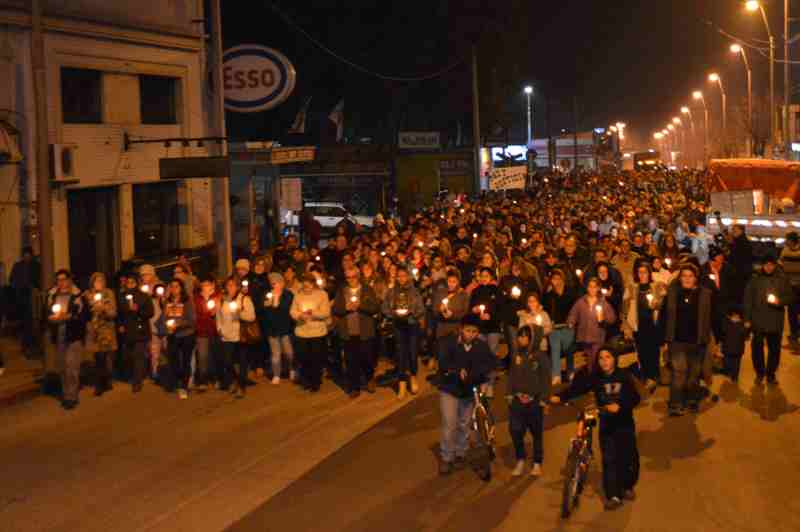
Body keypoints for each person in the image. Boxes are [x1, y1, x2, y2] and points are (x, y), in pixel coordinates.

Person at [552, 348, 641, 511]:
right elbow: (578, 388)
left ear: (615, 359)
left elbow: (635, 398)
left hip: (625, 424)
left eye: (608, 357)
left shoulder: (624, 376)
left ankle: (628, 485)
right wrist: (560, 396)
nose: (604, 361)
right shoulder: (596, 378)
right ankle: (613, 495)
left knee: (628, 457)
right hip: (607, 425)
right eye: (601, 358)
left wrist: (620, 406)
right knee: (609, 459)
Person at [436, 316, 496, 475]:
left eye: (474, 331)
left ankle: (460, 453)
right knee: (450, 424)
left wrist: (483, 375)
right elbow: (443, 363)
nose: (470, 334)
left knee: (464, 424)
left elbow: (490, 363)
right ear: (461, 329)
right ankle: (447, 457)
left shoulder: (481, 346)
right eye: (468, 330)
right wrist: (456, 371)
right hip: (450, 388)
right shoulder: (449, 343)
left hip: (469, 390)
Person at [662, 264, 712, 416]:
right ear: (680, 278)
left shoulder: (705, 294)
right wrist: (662, 339)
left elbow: (713, 316)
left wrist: (718, 338)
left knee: (693, 374)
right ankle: (675, 403)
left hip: (697, 341)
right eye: (684, 276)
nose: (687, 279)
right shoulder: (672, 293)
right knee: (679, 371)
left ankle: (691, 400)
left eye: (690, 276)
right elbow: (664, 316)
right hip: (676, 341)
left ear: (695, 278)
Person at [508, 325, 551, 477]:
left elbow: (546, 379)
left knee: (536, 433)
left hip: (534, 402)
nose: (521, 339)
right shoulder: (516, 355)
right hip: (518, 400)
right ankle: (520, 458)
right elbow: (512, 375)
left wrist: (544, 400)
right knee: (515, 430)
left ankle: (537, 462)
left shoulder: (541, 357)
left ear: (533, 338)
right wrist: (510, 393)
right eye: (519, 336)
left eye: (525, 336)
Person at [743, 253, 793, 385]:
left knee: (774, 349)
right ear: (762, 265)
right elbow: (748, 300)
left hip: (775, 320)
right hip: (758, 320)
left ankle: (771, 374)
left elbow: (790, 297)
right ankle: (759, 373)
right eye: (767, 264)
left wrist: (779, 301)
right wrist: (747, 319)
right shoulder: (755, 279)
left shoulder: (782, 279)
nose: (769, 267)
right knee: (757, 349)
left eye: (771, 265)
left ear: (775, 265)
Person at [332, 266, 380, 397]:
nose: (351, 280)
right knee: (350, 361)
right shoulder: (342, 291)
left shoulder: (367, 289)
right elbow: (336, 309)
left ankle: (369, 378)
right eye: (348, 277)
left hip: (364, 331)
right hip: (348, 332)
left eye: (353, 277)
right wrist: (345, 308)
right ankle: (354, 386)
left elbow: (375, 307)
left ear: (358, 276)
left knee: (367, 358)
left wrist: (361, 306)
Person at [46, 269, 87, 410]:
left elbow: (82, 316)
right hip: (59, 335)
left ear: (70, 280)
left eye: (64, 279)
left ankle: (72, 396)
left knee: (71, 367)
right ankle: (65, 393)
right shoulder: (52, 296)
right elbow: (46, 314)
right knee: (62, 367)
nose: (61, 282)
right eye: (59, 280)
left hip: (73, 336)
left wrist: (68, 317)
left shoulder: (77, 296)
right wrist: (51, 319)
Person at [622, 263, 666, 392]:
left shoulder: (657, 286)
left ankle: (654, 375)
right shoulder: (632, 287)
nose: (642, 275)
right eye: (640, 272)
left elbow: (664, 303)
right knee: (642, 352)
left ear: (649, 273)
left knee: (654, 352)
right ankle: (647, 376)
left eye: (645, 272)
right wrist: (626, 325)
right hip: (638, 325)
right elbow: (625, 307)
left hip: (653, 325)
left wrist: (656, 305)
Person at [382, 267, 425, 399]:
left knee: (412, 353)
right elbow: (384, 307)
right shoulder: (391, 292)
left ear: (408, 277)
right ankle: (401, 382)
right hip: (398, 326)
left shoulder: (414, 291)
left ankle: (412, 377)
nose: (401, 278)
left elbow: (421, 309)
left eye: (404, 276)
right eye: (399, 276)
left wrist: (411, 312)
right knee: (400, 354)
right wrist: (393, 314)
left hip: (412, 325)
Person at [290, 273, 331, 392]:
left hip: (317, 332)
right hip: (302, 332)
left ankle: (315, 382)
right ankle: (306, 380)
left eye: (308, 284)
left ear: (313, 283)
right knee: (303, 358)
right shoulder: (298, 295)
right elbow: (292, 311)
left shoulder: (322, 294)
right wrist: (299, 315)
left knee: (316, 358)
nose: (306, 286)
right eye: (304, 284)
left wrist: (313, 313)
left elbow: (326, 312)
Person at [216, 276, 256, 398]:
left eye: (233, 285)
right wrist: (219, 328)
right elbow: (218, 316)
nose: (230, 287)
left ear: (238, 287)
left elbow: (252, 317)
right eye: (228, 285)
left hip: (240, 335)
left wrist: (240, 313)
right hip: (226, 335)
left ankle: (241, 386)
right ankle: (234, 380)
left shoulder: (244, 299)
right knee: (227, 361)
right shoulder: (222, 300)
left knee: (242, 362)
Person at [567, 278, 616, 372]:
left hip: (598, 336)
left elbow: (612, 318)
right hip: (584, 336)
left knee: (595, 358)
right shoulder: (581, 302)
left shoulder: (602, 303)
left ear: (598, 288)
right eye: (590, 287)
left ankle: (595, 378)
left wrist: (603, 318)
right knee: (590, 359)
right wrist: (571, 322)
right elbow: (573, 314)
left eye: (594, 287)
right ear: (587, 288)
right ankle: (591, 378)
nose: (592, 289)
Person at [158, 279, 197, 399]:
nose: (174, 289)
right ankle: (178, 380)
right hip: (173, 335)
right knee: (174, 360)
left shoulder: (187, 301)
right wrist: (166, 326)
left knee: (186, 360)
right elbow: (163, 317)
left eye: (177, 287)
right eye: (172, 286)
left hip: (186, 335)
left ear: (181, 288)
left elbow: (192, 319)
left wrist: (178, 324)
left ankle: (184, 386)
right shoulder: (167, 302)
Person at [118, 273, 155, 393]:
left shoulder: (144, 296)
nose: (130, 285)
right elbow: (120, 313)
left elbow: (150, 312)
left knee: (138, 356)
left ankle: (137, 381)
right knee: (129, 356)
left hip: (140, 330)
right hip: (128, 331)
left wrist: (138, 310)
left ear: (137, 283)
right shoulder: (122, 296)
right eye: (128, 283)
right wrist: (120, 325)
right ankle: (133, 375)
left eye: (132, 283)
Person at [83, 273, 117, 396]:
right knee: (98, 357)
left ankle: (107, 379)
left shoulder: (109, 293)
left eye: (101, 281)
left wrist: (104, 309)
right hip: (94, 330)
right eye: (96, 281)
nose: (99, 283)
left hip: (106, 330)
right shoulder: (87, 295)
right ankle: (99, 385)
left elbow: (113, 312)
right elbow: (84, 312)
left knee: (107, 358)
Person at [542, 269, 578, 384]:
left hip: (568, 326)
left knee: (569, 349)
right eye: (554, 279)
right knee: (555, 348)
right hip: (555, 327)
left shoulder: (570, 292)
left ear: (563, 279)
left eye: (559, 279)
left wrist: (572, 321)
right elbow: (545, 310)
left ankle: (570, 371)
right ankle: (556, 374)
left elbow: (575, 309)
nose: (556, 281)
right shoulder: (549, 295)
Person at [262, 272, 296, 385]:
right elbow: (265, 311)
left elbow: (286, 308)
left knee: (289, 352)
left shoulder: (288, 294)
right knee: (275, 353)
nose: (274, 285)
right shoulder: (268, 294)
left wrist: (276, 302)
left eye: (276, 282)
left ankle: (292, 369)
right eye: (272, 283)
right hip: (272, 329)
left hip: (285, 328)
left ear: (282, 283)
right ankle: (277, 374)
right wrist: (267, 305)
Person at [10, 246, 41, 357]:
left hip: (33, 298)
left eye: (28, 254)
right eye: (25, 254)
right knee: (26, 323)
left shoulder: (36, 266)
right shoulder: (18, 266)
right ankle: (27, 346)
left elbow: (39, 280)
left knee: (32, 323)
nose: (27, 256)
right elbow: (12, 280)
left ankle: (31, 346)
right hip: (22, 299)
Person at [193, 276, 219, 390]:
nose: (205, 287)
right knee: (202, 356)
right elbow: (194, 313)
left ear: (213, 285)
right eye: (203, 285)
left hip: (215, 330)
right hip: (201, 331)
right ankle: (203, 380)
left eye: (207, 284)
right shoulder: (196, 298)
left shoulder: (218, 296)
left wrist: (216, 312)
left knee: (214, 355)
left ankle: (215, 378)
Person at [778, 232, 800, 348]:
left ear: (793, 240)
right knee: (792, 313)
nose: (786, 241)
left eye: (788, 240)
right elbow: (780, 264)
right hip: (790, 286)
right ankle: (794, 338)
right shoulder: (785, 250)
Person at [721, 307, 748, 383]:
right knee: (727, 362)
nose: (736, 318)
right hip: (727, 348)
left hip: (738, 349)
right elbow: (723, 331)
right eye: (734, 316)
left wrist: (745, 328)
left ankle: (735, 377)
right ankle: (728, 372)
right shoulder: (726, 323)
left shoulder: (741, 324)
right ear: (730, 316)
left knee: (736, 364)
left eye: (737, 316)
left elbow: (744, 335)